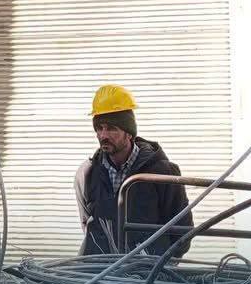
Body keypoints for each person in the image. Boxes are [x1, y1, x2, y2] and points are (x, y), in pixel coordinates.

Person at [75, 85, 192, 257]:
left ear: (129, 133)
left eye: (112, 128)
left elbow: (182, 232)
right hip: (99, 269)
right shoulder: (87, 173)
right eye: (99, 128)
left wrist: (161, 263)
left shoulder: (163, 173)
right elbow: (87, 224)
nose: (103, 135)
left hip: (146, 270)